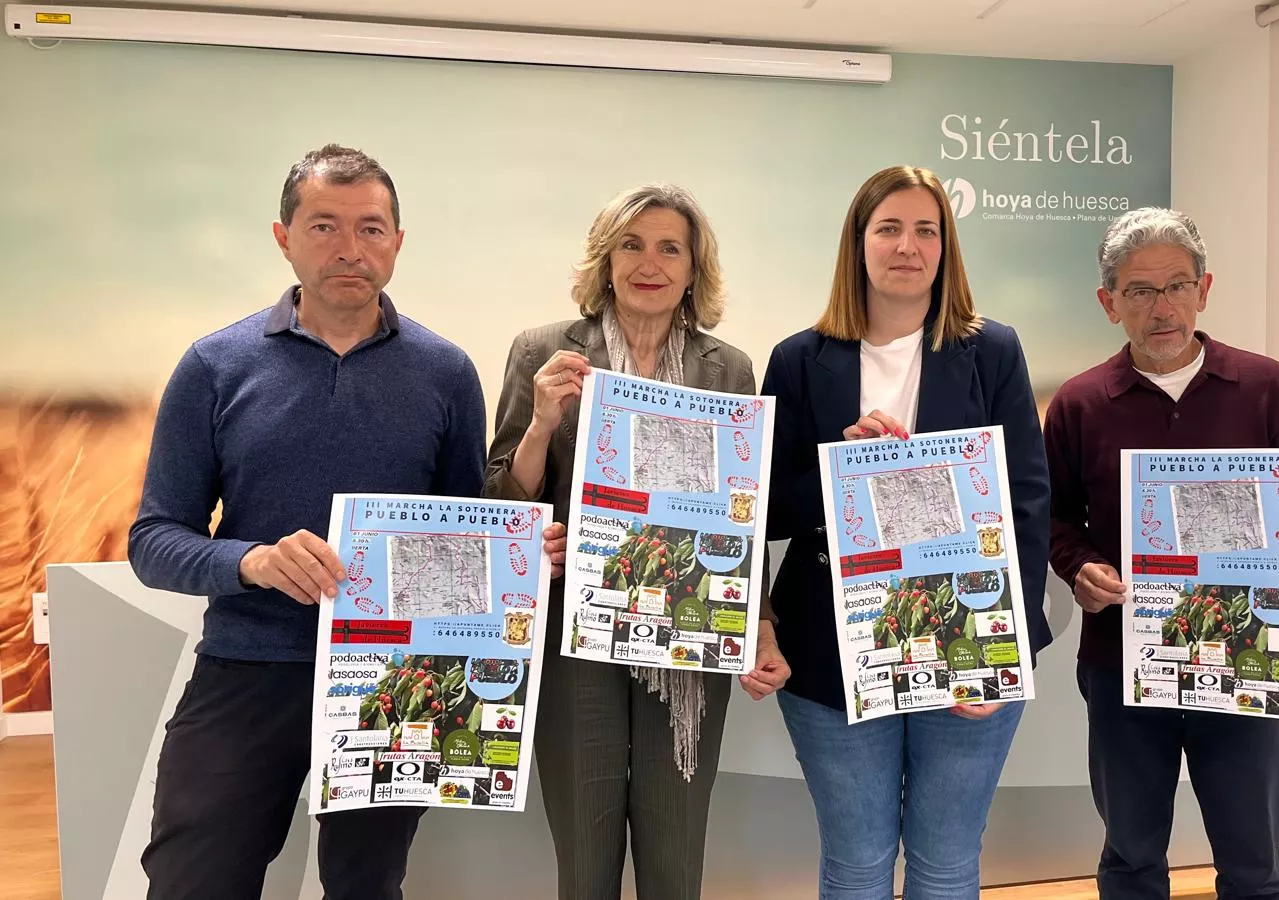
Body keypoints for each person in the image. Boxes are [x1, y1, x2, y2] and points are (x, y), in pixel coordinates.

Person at [127, 144, 540, 900]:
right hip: (249, 667)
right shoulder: (214, 366)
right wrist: (248, 562)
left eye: (372, 229)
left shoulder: (446, 373)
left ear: (398, 243)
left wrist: (515, 554)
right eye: (324, 227)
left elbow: (463, 534)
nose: (350, 249)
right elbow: (153, 541)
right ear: (283, 237)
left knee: (366, 886)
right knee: (193, 881)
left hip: (397, 678)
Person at [482, 182, 788, 900]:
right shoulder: (543, 351)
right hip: (574, 634)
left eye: (669, 248)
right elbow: (501, 500)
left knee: (676, 858)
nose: (649, 263)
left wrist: (762, 627)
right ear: (606, 259)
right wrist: (541, 423)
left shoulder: (730, 369)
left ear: (692, 268)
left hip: (689, 639)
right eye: (631, 244)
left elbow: (739, 517)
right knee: (584, 861)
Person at [757, 165, 1053, 898]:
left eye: (927, 229)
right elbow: (763, 510)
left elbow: (1026, 504)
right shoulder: (799, 359)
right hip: (831, 652)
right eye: (888, 227)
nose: (907, 246)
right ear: (858, 243)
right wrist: (839, 471)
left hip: (967, 638)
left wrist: (997, 649)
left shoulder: (994, 351)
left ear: (946, 247)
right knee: (856, 863)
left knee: (947, 862)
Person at [1045, 207, 1279, 900]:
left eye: (1178, 286)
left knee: (1253, 859)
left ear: (1205, 289)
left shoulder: (1266, 385)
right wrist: (1077, 569)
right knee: (1130, 857)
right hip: (1125, 657)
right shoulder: (1079, 403)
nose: (1163, 308)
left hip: (1244, 655)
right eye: (1141, 292)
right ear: (1109, 303)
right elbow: (1056, 518)